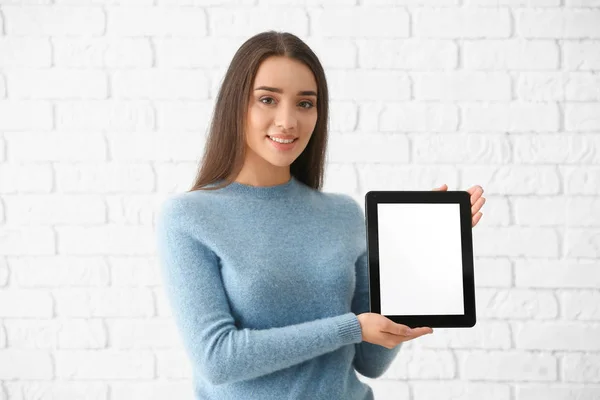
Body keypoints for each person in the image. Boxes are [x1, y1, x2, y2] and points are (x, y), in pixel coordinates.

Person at [155, 30, 485, 400]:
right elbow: (218, 360)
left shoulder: (342, 213)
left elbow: (371, 361)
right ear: (236, 106)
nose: (288, 121)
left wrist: (419, 257)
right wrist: (350, 329)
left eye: (305, 104)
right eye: (267, 99)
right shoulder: (189, 217)